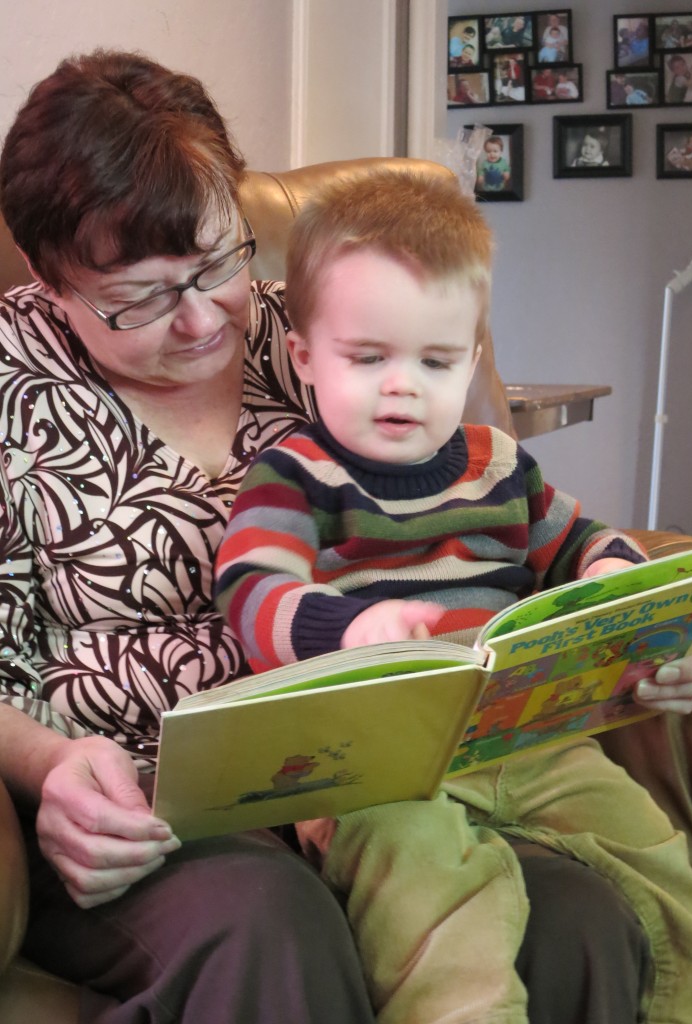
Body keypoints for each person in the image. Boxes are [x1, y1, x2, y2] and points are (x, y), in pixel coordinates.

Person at [215, 169, 692, 1024]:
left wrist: (611, 576)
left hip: (526, 745)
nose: (403, 385)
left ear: (472, 356)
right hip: (379, 770)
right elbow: (250, 589)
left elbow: (584, 538)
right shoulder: (293, 476)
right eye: (368, 358)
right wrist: (348, 631)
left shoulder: (500, 465)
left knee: (657, 856)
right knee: (434, 893)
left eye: (436, 361)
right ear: (307, 357)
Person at [0, 48, 378, 1023]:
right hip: (140, 810)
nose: (205, 315)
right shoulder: (12, 382)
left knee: (568, 912)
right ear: (51, 277)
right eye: (145, 296)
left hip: (349, 774)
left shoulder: (320, 345)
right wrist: (49, 769)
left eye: (219, 261)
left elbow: (466, 525)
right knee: (266, 920)